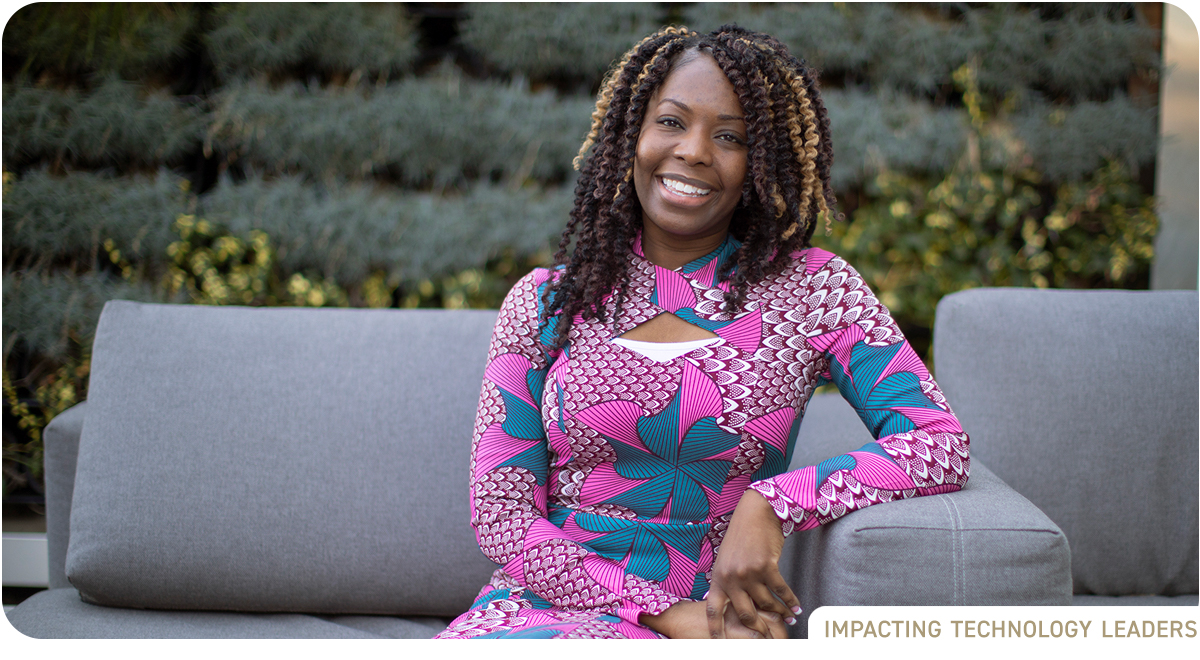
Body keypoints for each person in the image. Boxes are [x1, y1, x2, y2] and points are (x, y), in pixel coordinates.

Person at [434, 25, 969, 640]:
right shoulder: (547, 302)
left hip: (717, 616)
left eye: (730, 137)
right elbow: (502, 515)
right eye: (670, 122)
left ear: (761, 162)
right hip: (535, 611)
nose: (692, 151)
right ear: (630, 135)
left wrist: (774, 502)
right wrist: (664, 613)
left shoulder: (813, 292)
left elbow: (937, 443)